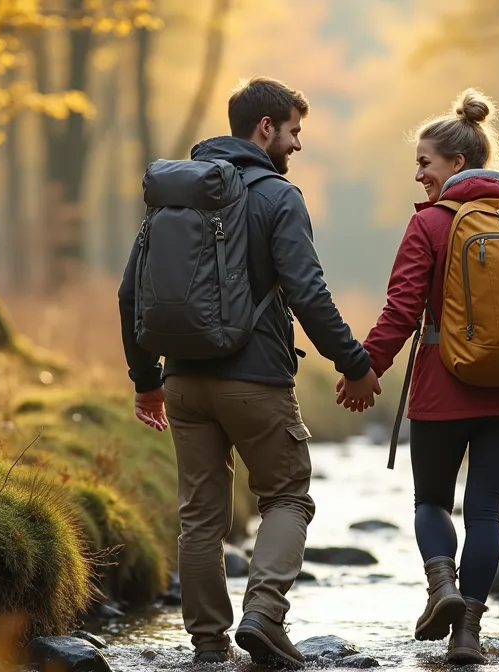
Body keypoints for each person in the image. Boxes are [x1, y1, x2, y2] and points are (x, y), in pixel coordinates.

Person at [119, 76, 381, 668]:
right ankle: (263, 614)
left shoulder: (172, 197)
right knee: (287, 496)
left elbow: (129, 294)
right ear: (265, 127)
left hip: (183, 382)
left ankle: (208, 644)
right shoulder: (278, 197)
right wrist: (356, 364)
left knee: (201, 518)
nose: (297, 144)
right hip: (256, 380)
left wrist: (147, 381)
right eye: (293, 131)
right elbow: (308, 294)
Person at [339, 88, 499, 665]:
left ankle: (440, 588)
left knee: (431, 503)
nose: (417, 174)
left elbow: (400, 310)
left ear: (457, 164)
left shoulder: (430, 226)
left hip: (443, 388)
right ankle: (467, 635)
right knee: (487, 513)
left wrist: (365, 370)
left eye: (424, 162)